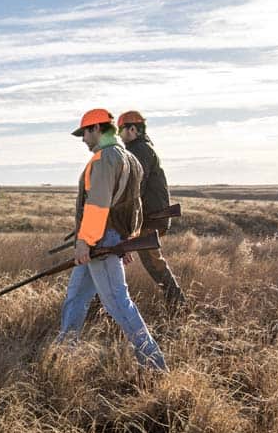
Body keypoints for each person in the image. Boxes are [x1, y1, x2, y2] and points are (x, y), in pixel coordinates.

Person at [56, 108, 167, 371]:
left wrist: (85, 242)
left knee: (117, 302)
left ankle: (155, 364)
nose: (83, 139)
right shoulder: (130, 159)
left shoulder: (105, 158)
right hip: (109, 238)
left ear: (96, 129)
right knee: (75, 298)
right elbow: (134, 206)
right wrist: (127, 240)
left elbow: (98, 204)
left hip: (99, 240)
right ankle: (63, 353)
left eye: (84, 133)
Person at [117, 111, 186, 309]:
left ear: (133, 129)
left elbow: (136, 188)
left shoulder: (139, 150)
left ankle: (179, 305)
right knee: (122, 258)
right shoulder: (142, 149)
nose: (120, 135)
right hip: (149, 218)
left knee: (152, 263)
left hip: (149, 219)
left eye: (122, 130)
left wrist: (126, 224)